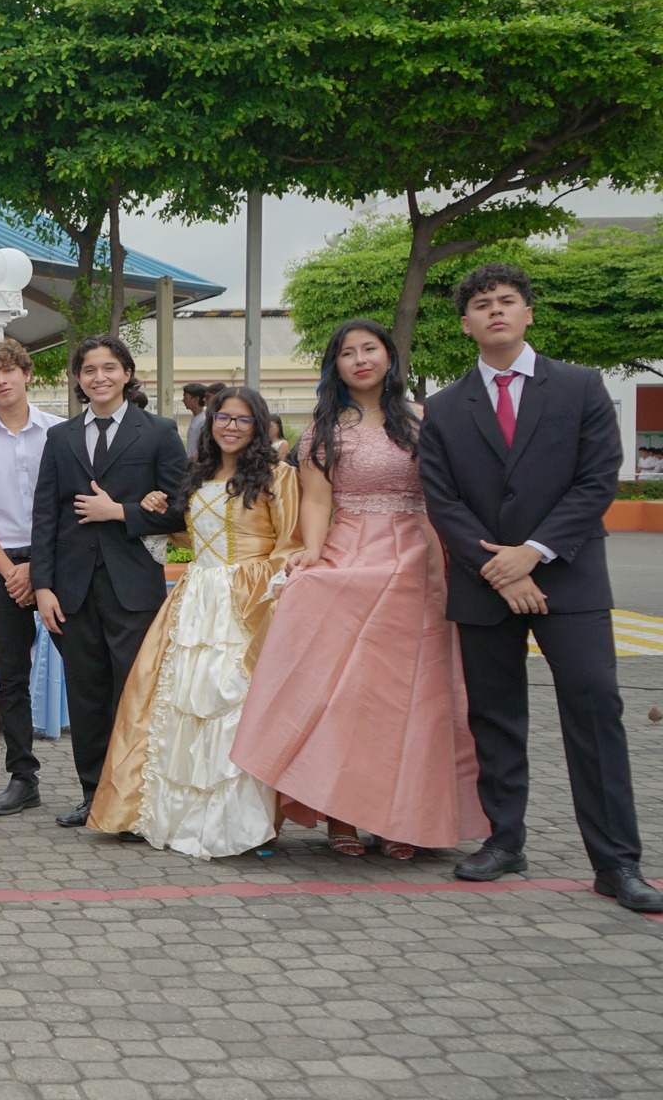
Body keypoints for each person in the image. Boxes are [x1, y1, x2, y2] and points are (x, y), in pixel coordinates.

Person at [419, 265, 660, 913]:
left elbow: (596, 480)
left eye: (507, 301)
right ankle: (504, 840)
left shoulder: (580, 385)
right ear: (465, 323)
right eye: (481, 304)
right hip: (484, 585)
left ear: (528, 313)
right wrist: (498, 567)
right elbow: (442, 499)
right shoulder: (445, 407)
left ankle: (617, 862)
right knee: (494, 716)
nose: (495, 310)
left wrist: (532, 553)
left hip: (569, 577)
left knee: (595, 709)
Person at [234, 320, 485, 862]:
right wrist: (313, 551)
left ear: (389, 357)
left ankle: (403, 815)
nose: (360, 359)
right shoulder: (325, 429)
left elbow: (448, 492)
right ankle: (341, 813)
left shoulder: (422, 421)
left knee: (416, 696)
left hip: (419, 560)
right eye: (347, 352)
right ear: (336, 366)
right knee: (347, 692)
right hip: (351, 550)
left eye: (370, 348)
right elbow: (317, 500)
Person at [88, 387, 298, 857]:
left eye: (243, 420)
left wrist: (272, 592)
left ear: (258, 426)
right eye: (223, 418)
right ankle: (178, 814)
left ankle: (245, 822)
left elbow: (291, 542)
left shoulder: (278, 476)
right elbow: (194, 535)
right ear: (209, 422)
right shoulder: (196, 473)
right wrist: (157, 510)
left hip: (246, 599)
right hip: (195, 599)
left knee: (232, 702)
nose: (231, 427)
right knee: (179, 703)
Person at [30, 335, 188, 830]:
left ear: (126, 373)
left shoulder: (159, 432)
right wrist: (43, 586)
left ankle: (136, 802)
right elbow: (45, 515)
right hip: (73, 589)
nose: (99, 377)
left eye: (109, 368)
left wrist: (120, 511)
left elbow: (180, 510)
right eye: (89, 370)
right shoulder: (60, 437)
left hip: (134, 585)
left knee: (135, 695)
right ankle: (93, 797)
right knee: (87, 696)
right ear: (78, 379)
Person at [0, 340, 66, 817]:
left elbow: (70, 506)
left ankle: (99, 778)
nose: (2, 380)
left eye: (9, 371)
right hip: (0, 564)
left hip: (59, 561)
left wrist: (38, 569)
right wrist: (12, 572)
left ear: (26, 374)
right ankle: (23, 777)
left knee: (85, 669)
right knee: (11, 677)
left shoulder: (59, 433)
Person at [182, 383, 211, 454]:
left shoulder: (203, 421)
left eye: (186, 397)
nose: (183, 400)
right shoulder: (196, 418)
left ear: (196, 399)